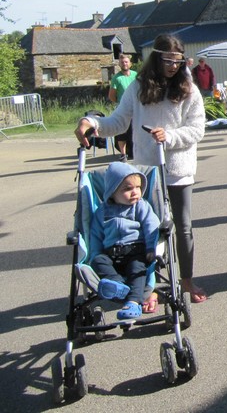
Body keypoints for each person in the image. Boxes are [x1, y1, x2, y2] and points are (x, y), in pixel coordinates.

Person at [76, 34, 208, 307]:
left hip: (178, 170)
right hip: (147, 174)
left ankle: (186, 280)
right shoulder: (137, 87)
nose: (173, 66)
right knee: (148, 229)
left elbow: (197, 129)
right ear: (156, 58)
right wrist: (91, 122)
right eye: (168, 61)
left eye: (178, 61)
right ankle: (148, 288)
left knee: (182, 227)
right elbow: (117, 122)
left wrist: (169, 136)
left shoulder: (189, 89)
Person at [90, 161, 159, 320]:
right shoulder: (102, 212)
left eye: (138, 187)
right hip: (110, 254)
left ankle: (133, 302)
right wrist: (95, 254)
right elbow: (95, 235)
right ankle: (118, 285)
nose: (135, 192)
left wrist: (151, 249)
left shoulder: (141, 206)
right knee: (97, 261)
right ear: (112, 191)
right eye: (128, 189)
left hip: (136, 251)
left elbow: (151, 226)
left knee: (137, 269)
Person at [109, 54, 137, 162]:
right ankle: (123, 154)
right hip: (122, 109)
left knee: (135, 131)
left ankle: (135, 151)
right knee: (122, 131)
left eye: (126, 62)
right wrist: (121, 103)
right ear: (119, 64)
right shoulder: (116, 78)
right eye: (122, 62)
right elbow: (112, 96)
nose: (124, 64)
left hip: (135, 108)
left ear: (130, 63)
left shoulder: (135, 75)